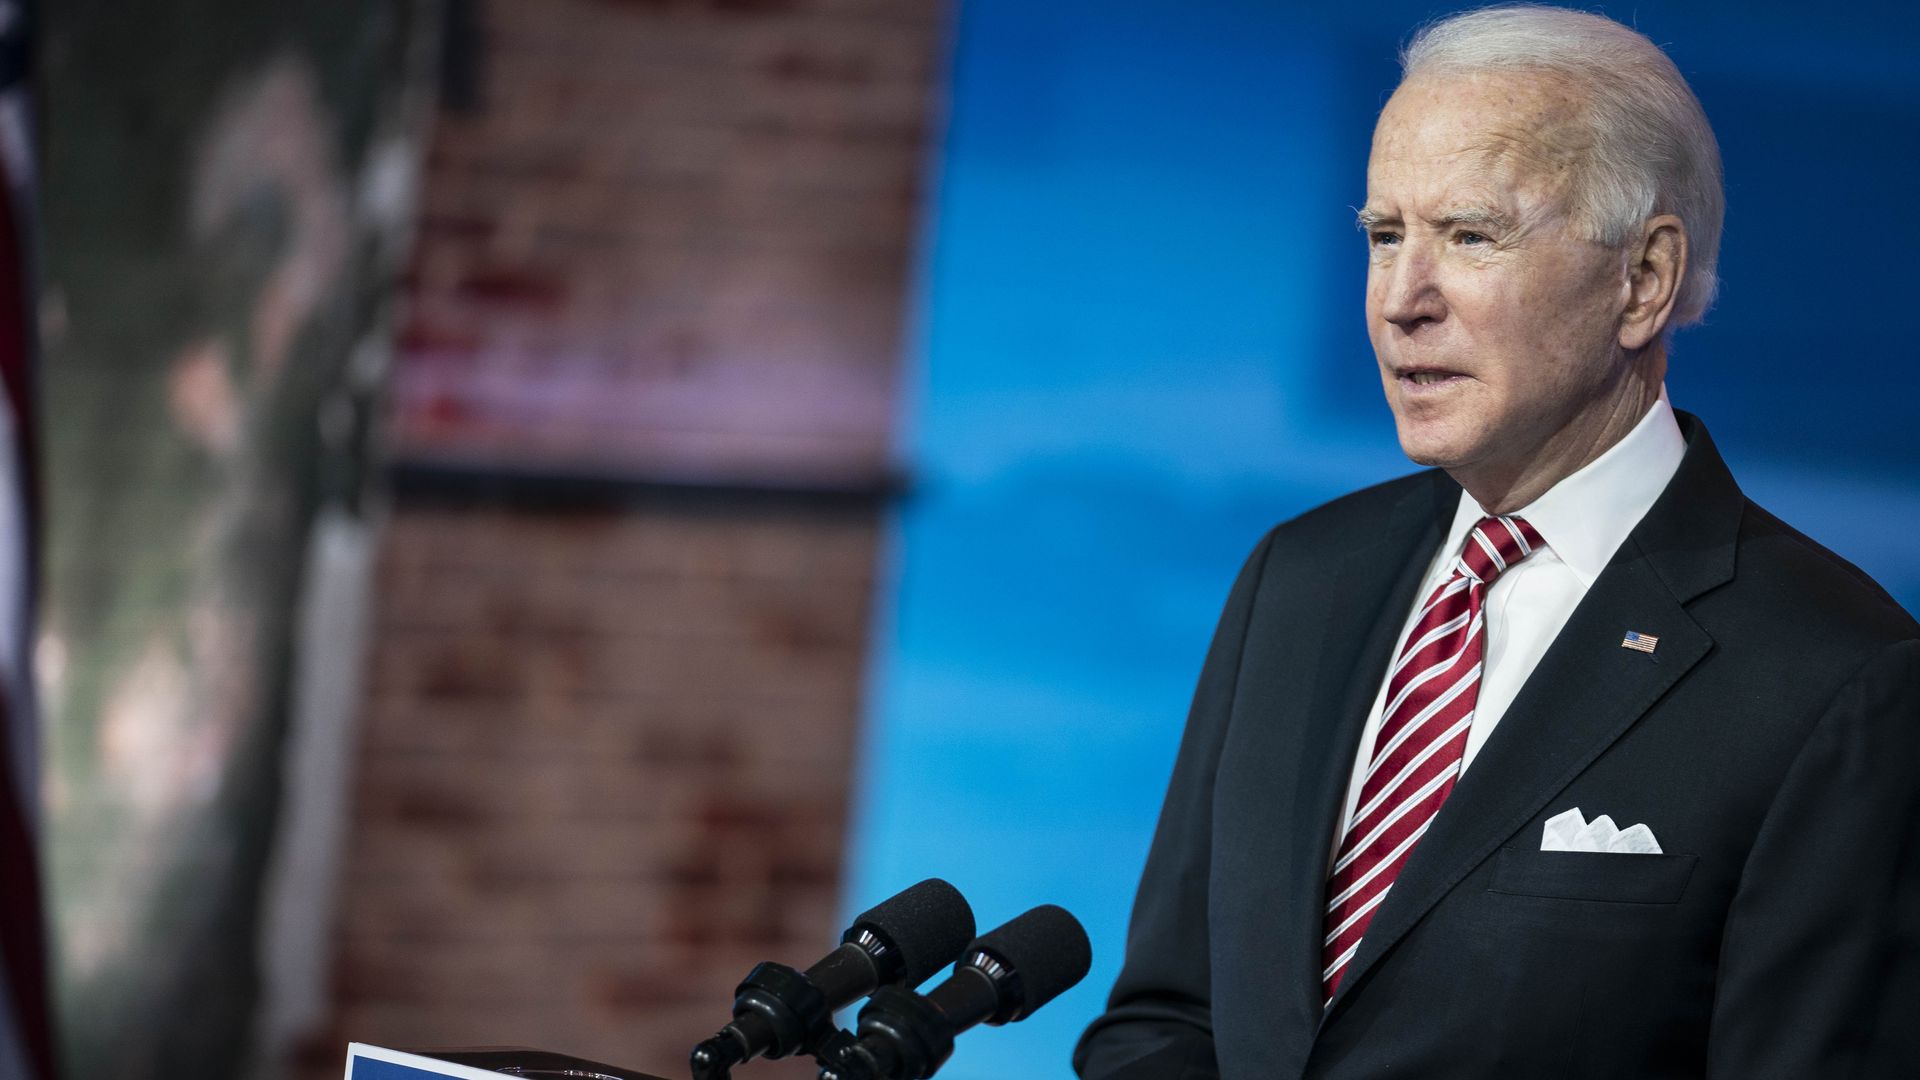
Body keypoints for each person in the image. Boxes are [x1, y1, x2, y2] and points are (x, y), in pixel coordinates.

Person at [1072, 7, 1920, 1078]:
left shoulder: (1835, 672)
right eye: (1386, 237)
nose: (1400, 301)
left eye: (1471, 236)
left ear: (1643, 280)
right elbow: (1170, 1019)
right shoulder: (1300, 575)